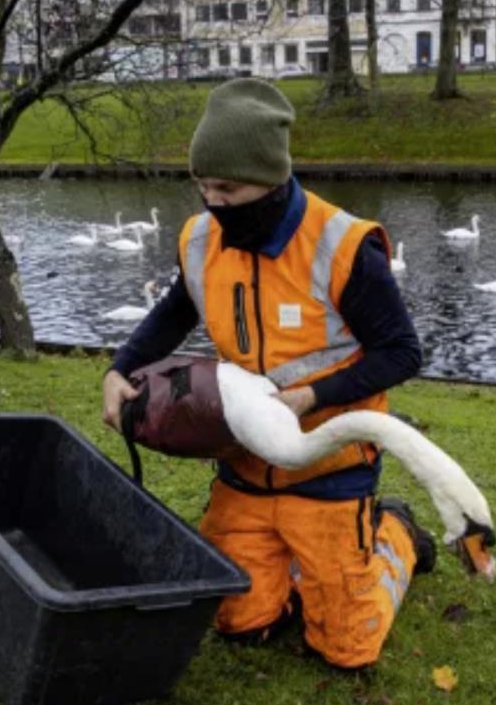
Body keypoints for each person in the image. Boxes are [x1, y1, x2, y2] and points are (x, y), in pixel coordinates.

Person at [101, 78, 434, 670]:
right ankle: (293, 563)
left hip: (329, 466)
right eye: (203, 186)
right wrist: (121, 368)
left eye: (227, 189)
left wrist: (311, 397)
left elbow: (402, 353)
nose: (213, 203)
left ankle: (396, 534)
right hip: (246, 466)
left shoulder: (344, 246)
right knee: (239, 621)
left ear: (272, 178)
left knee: (346, 649)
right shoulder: (200, 239)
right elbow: (175, 311)